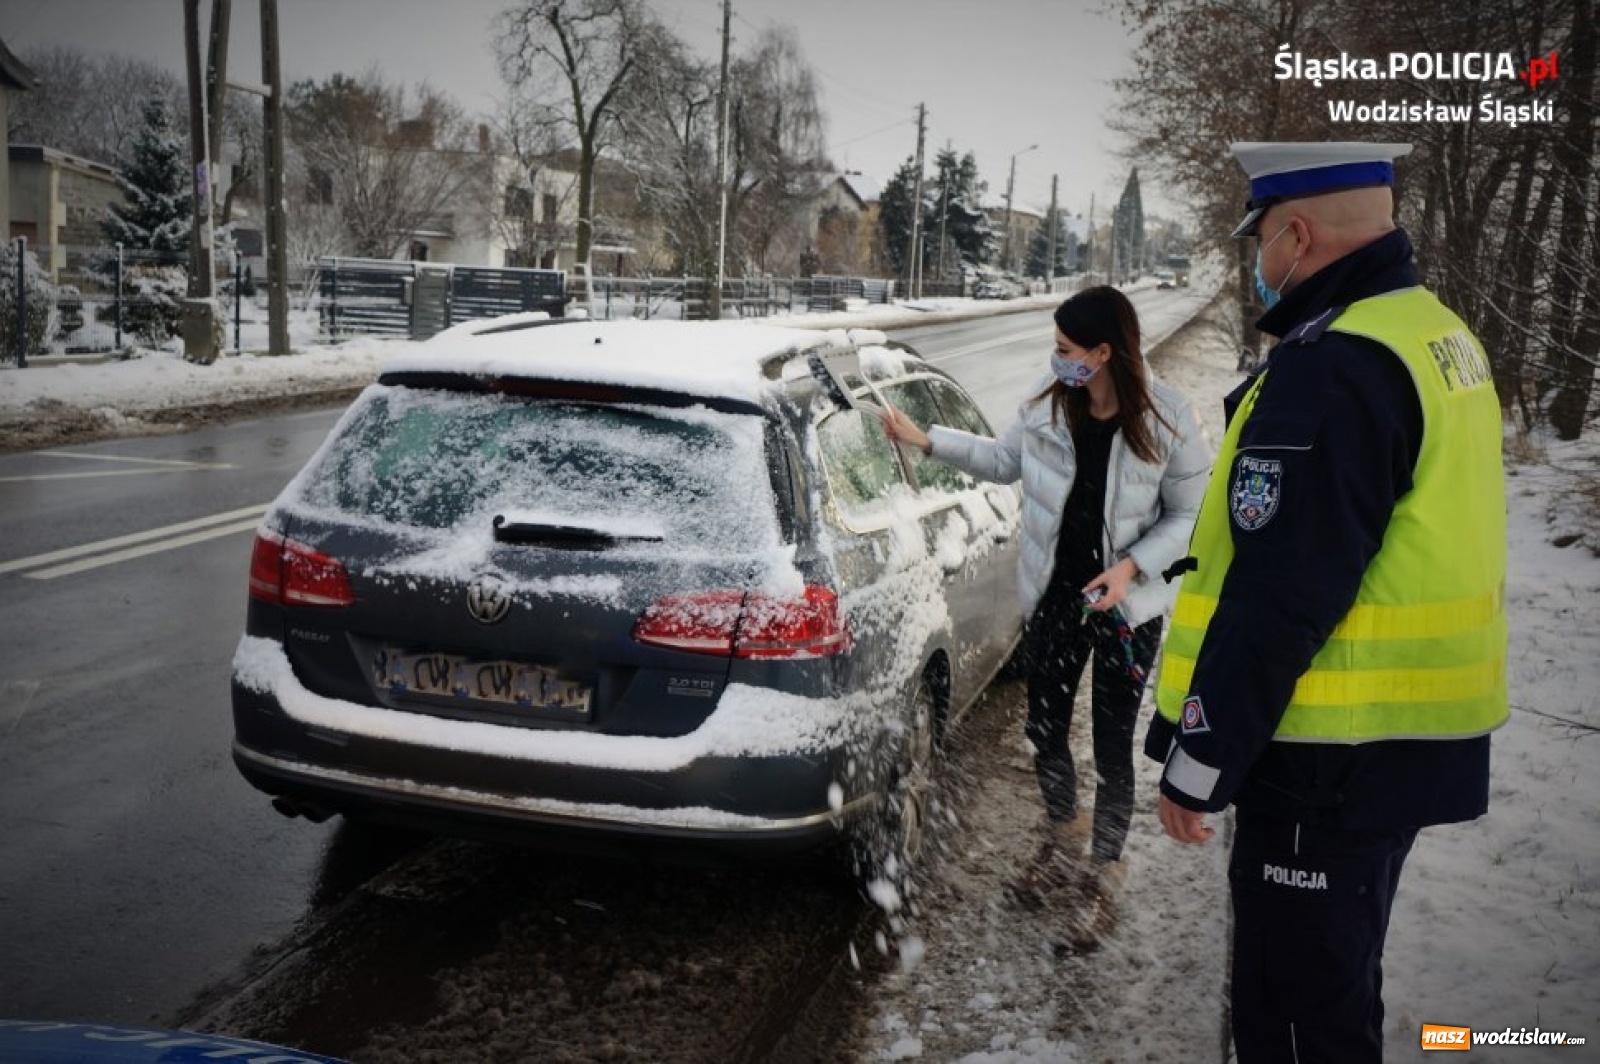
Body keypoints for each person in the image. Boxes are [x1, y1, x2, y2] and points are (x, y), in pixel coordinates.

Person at [1144, 142, 1508, 1063]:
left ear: (1296, 235)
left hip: (1322, 760)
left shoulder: (1335, 366)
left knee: (1296, 1022)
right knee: (1334, 991)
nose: (1259, 265)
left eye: (1261, 241)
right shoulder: (1436, 335)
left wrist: (1202, 756)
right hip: (1392, 749)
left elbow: (1281, 594)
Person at [879, 285, 1211, 949]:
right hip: (1060, 596)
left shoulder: (1169, 418)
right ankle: (1062, 834)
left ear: (1103, 351)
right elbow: (1005, 461)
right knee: (1043, 727)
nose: (1055, 359)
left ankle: (1103, 872)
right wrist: (927, 440)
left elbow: (1190, 518)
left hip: (1125, 608)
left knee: (1113, 746)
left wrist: (1132, 569)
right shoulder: (1050, 404)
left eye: (1065, 349)